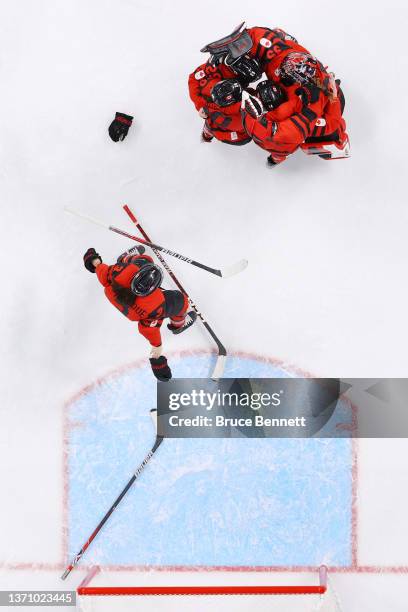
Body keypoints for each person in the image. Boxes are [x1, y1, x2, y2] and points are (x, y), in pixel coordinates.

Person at [83, 246, 197, 382]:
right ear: (152, 290)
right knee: (182, 301)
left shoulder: (119, 273)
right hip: (150, 309)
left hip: (131, 294)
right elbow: (148, 328)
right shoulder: (155, 306)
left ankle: (125, 259)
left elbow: (102, 271)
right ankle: (178, 325)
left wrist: (94, 261)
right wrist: (157, 348)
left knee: (145, 260)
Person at [241, 75, 350, 165]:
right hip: (289, 136)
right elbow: (331, 122)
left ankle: (272, 162)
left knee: (279, 152)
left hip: (279, 141)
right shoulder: (306, 122)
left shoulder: (263, 119)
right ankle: (271, 162)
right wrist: (333, 95)